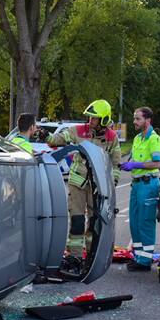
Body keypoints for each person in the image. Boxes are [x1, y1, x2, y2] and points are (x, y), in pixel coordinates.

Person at [48, 100, 121, 271]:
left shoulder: (111, 137)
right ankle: (74, 257)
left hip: (98, 186)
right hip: (78, 183)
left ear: (104, 120)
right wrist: (47, 136)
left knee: (95, 223)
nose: (90, 122)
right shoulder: (79, 130)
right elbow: (60, 139)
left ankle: (92, 255)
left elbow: (116, 163)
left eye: (94, 118)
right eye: (89, 118)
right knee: (77, 221)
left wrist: (113, 183)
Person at [120, 106, 160, 271]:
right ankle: (139, 256)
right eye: (134, 118)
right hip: (137, 184)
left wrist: (136, 165)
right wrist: (127, 165)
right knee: (135, 222)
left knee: (145, 223)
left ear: (148, 120)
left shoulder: (154, 139)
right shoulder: (138, 138)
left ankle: (145, 262)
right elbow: (134, 159)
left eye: (138, 118)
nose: (134, 122)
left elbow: (157, 163)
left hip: (148, 184)